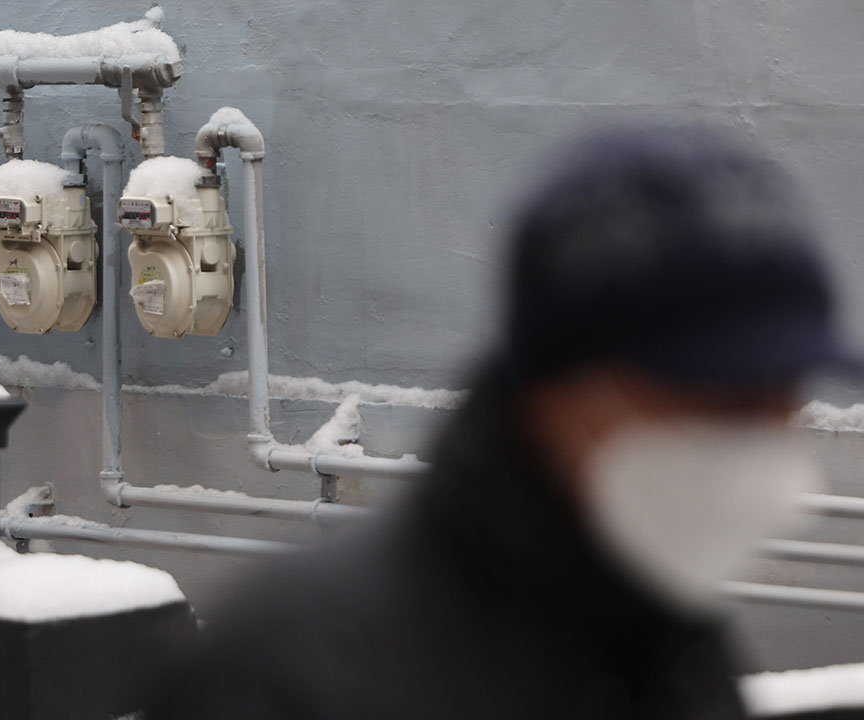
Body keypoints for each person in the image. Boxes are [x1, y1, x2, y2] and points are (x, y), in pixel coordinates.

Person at [143, 125, 859, 719]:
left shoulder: (661, 626)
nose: (772, 458)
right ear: (566, 382)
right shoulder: (286, 677)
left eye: (784, 404)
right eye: (726, 402)